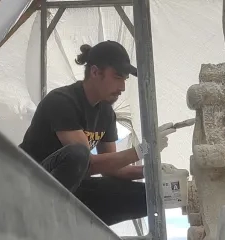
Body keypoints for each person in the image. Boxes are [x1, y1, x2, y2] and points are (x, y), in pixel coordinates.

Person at [19, 40, 174, 226]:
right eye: (117, 77)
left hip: (69, 193)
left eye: (125, 79)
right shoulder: (61, 101)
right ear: (94, 72)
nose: (123, 87)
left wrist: (150, 171)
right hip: (32, 185)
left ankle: (70, 224)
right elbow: (88, 164)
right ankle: (43, 221)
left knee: (151, 197)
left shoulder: (107, 114)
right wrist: (144, 150)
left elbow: (111, 168)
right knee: (79, 154)